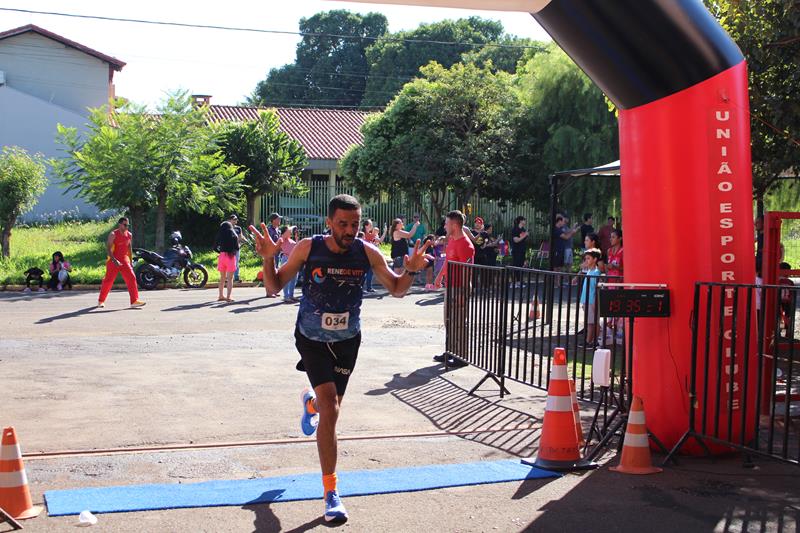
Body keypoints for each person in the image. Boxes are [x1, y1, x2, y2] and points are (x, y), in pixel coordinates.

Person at [249, 194, 432, 524]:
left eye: (356, 224)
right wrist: (267, 259)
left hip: (348, 341)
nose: (350, 230)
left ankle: (311, 405)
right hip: (311, 339)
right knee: (331, 406)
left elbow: (396, 288)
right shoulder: (309, 248)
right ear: (329, 223)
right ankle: (331, 493)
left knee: (330, 407)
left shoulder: (367, 251)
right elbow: (274, 287)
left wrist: (410, 271)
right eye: (343, 224)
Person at [433, 210, 475, 367]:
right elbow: (447, 262)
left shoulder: (466, 245)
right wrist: (439, 278)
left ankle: (461, 357)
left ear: (455, 225)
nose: (444, 225)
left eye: (446, 223)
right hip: (450, 286)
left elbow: (467, 270)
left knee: (458, 322)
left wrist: (464, 292)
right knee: (449, 321)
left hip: (459, 287)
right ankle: (450, 351)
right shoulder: (452, 240)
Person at [98, 217, 145, 308]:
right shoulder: (113, 234)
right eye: (125, 225)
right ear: (120, 225)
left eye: (128, 225)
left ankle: (134, 301)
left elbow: (129, 248)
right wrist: (114, 260)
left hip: (124, 260)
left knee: (132, 278)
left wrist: (131, 261)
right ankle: (101, 301)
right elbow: (108, 249)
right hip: (113, 260)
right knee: (108, 280)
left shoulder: (129, 235)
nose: (127, 227)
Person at [579, 248, 602, 348]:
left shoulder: (595, 273)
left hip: (591, 300)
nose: (586, 261)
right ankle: (593, 340)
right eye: (586, 259)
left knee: (591, 322)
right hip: (587, 299)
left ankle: (589, 341)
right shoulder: (589, 271)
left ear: (595, 259)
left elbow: (595, 288)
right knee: (591, 321)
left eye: (588, 258)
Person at [215, 221, 239, 302]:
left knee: (222, 278)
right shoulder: (234, 235)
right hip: (230, 257)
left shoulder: (220, 236)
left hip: (222, 256)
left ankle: (221, 295)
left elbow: (214, 247)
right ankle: (228, 297)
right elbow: (237, 248)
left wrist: (221, 252)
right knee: (230, 278)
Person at [361, 219, 387, 293]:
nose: (372, 226)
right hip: (368, 256)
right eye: (370, 225)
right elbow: (380, 240)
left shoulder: (363, 234)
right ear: (366, 226)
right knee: (368, 272)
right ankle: (367, 288)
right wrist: (385, 232)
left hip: (365, 256)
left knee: (366, 272)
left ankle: (365, 288)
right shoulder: (369, 235)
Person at [279, 225, 300, 303]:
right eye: (289, 231)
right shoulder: (282, 239)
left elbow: (297, 247)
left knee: (294, 278)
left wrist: (296, 238)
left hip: (293, 259)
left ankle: (291, 295)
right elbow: (283, 234)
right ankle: (286, 296)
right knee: (286, 278)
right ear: (285, 232)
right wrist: (292, 227)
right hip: (286, 259)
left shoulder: (290, 239)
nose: (290, 232)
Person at [229, 214, 245, 282]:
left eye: (236, 219)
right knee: (229, 262)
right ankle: (228, 277)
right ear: (230, 220)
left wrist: (244, 240)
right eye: (234, 219)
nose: (235, 221)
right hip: (229, 248)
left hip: (237, 248)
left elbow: (241, 236)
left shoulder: (238, 228)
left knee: (236, 262)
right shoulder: (227, 228)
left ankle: (236, 277)